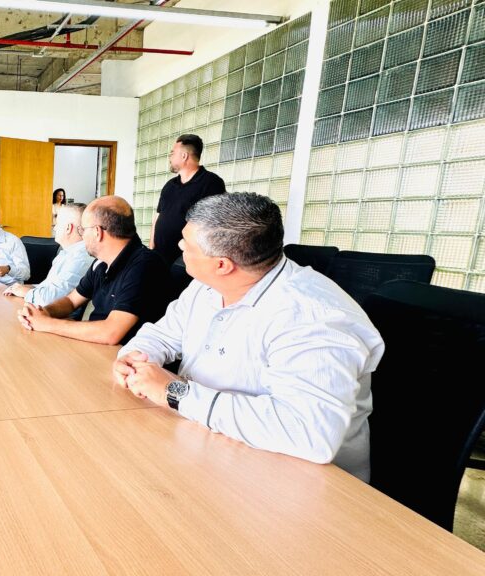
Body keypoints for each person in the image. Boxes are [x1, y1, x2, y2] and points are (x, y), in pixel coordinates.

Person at [114, 193, 383, 481]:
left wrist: (174, 392)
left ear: (222, 264)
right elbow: (162, 334)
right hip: (212, 448)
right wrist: (137, 357)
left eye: (187, 244)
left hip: (299, 484)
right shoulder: (207, 287)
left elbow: (308, 433)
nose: (178, 246)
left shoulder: (314, 316)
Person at [17, 196, 168, 345]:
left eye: (83, 229)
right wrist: (43, 312)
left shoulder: (144, 266)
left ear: (97, 232)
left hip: (126, 358)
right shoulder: (101, 263)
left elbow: (111, 332)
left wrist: (47, 324)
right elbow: (71, 301)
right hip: (98, 348)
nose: (82, 236)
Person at [150, 134, 226, 266]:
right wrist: (151, 247)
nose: (170, 157)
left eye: (173, 153)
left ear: (184, 156)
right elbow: (158, 217)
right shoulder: (170, 185)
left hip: (186, 260)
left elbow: (213, 222)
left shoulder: (211, 183)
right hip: (160, 255)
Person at [4, 202, 93, 310]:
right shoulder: (67, 253)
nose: (54, 228)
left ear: (68, 228)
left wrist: (26, 292)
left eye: (57, 224)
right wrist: (24, 288)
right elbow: (51, 287)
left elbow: (50, 299)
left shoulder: (81, 259)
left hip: (60, 319)